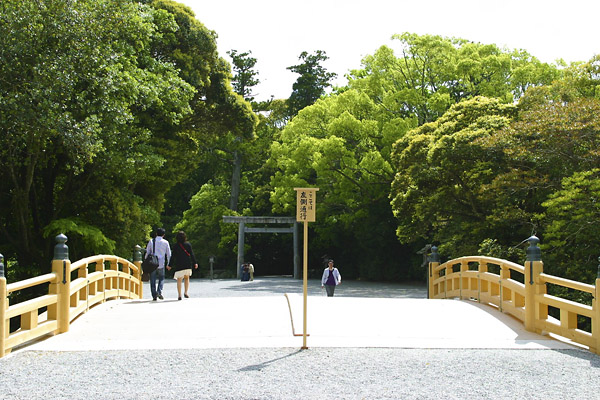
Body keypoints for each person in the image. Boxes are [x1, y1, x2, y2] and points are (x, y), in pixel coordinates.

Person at [167, 231, 198, 301]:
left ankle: (179, 295)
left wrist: (170, 265)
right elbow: (192, 254)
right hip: (187, 263)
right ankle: (186, 292)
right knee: (187, 278)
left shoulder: (176, 246)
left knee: (179, 279)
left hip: (179, 264)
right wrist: (195, 263)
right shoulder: (188, 244)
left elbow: (173, 256)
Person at [146, 228, 171, 301]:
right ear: (163, 235)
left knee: (152, 279)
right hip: (161, 263)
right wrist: (169, 264)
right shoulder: (166, 242)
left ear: (156, 234)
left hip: (152, 263)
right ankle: (159, 292)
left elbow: (147, 252)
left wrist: (146, 262)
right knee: (161, 278)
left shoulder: (151, 241)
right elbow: (169, 254)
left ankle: (154, 295)